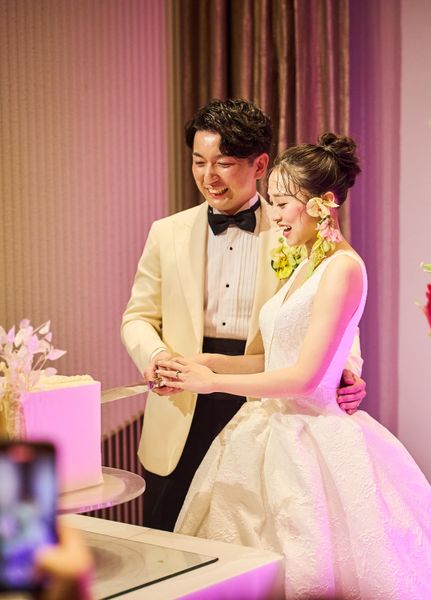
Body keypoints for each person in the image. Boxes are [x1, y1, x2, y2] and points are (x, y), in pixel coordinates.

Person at [157, 134, 431, 599]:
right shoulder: (305, 264)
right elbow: (277, 357)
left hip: (310, 438)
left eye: (282, 204)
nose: (274, 215)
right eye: (273, 202)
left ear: (322, 204)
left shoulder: (343, 269)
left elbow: (306, 377)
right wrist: (202, 362)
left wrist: (211, 382)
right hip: (264, 429)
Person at [120, 99, 366, 532]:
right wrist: (157, 357)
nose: (208, 176)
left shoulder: (295, 227)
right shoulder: (167, 232)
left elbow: (332, 311)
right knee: (169, 534)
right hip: (183, 396)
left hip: (266, 396)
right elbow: (137, 316)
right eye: (199, 162)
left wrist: (344, 371)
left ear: (260, 165)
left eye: (224, 163)